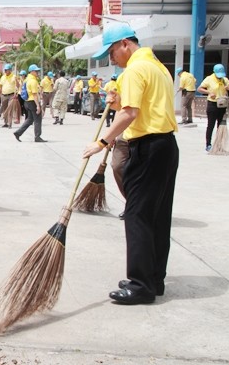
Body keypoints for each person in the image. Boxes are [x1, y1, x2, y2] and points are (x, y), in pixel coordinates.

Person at [83, 23, 179, 305]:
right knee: (158, 216)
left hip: (147, 148)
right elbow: (134, 106)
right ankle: (154, 279)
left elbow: (131, 114)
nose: (111, 59)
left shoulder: (135, 70)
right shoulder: (158, 67)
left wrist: (102, 142)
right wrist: (114, 101)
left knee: (137, 215)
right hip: (166, 146)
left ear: (125, 44)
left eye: (112, 52)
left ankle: (140, 286)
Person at [197, 64, 229, 152]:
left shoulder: (225, 80)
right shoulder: (209, 79)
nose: (219, 77)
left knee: (220, 126)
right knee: (211, 125)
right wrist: (209, 92)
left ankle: (218, 144)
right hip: (212, 105)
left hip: (222, 105)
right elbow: (199, 89)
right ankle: (208, 144)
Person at [13, 64, 45, 142]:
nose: (38, 72)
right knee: (37, 119)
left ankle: (18, 132)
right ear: (32, 72)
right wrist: (38, 106)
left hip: (27, 101)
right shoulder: (33, 81)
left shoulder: (26, 80)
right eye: (36, 71)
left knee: (30, 119)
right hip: (32, 101)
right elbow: (34, 94)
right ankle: (37, 137)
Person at [0, 64, 17, 128]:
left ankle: (10, 123)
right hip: (3, 95)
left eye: (7, 70)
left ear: (10, 70)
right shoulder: (3, 77)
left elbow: (18, 85)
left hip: (11, 95)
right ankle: (5, 122)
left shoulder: (14, 76)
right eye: (5, 70)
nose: (5, 71)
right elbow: (0, 86)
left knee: (10, 109)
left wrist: (16, 81)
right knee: (4, 109)